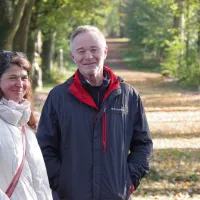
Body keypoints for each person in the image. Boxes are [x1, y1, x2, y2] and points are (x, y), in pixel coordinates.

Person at [36, 25, 153, 200]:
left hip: (115, 194)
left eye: (94, 49)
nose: (88, 56)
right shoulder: (58, 97)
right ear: (72, 56)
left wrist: (129, 180)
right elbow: (45, 147)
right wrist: (61, 182)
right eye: (81, 51)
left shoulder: (128, 95)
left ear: (105, 51)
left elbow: (143, 144)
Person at [0, 51, 53, 200]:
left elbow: (39, 179)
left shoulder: (25, 121)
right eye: (12, 78)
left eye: (24, 78)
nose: (20, 84)